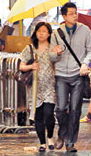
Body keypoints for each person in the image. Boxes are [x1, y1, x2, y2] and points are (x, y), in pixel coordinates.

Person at [50, 2, 91, 153]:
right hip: (61, 75)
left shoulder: (85, 30)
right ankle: (62, 134)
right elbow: (51, 55)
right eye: (71, 13)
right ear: (64, 16)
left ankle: (70, 142)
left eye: (75, 13)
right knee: (61, 108)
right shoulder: (57, 33)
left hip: (78, 75)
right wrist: (55, 53)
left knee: (75, 110)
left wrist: (85, 63)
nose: (74, 16)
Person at [20, 22, 58, 153]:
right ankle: (42, 143)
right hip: (35, 88)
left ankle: (50, 137)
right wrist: (31, 66)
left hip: (50, 86)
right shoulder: (30, 48)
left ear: (49, 34)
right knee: (38, 117)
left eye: (44, 31)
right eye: (39, 31)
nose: (41, 33)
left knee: (49, 114)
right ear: (35, 32)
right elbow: (21, 66)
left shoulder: (53, 48)